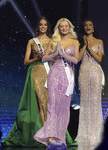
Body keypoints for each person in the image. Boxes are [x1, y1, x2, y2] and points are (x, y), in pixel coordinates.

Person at [1, 17, 51, 147]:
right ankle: (45, 134)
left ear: (48, 27)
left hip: (48, 72)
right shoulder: (31, 41)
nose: (43, 27)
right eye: (41, 24)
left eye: (45, 25)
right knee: (41, 102)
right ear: (38, 27)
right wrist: (36, 58)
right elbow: (25, 62)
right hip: (36, 72)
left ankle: (51, 132)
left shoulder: (52, 41)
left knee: (48, 103)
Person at [34, 18, 79, 148]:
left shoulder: (75, 42)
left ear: (70, 28)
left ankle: (61, 137)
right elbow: (44, 58)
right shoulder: (53, 41)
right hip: (54, 74)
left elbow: (75, 60)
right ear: (58, 28)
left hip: (67, 77)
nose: (64, 29)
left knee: (63, 108)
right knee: (52, 105)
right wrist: (54, 54)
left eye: (66, 26)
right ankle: (51, 137)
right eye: (61, 27)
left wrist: (63, 55)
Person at [76, 19, 104, 147]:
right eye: (85, 25)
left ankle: (95, 133)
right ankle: (85, 134)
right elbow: (78, 59)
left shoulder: (99, 42)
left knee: (95, 101)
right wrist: (84, 46)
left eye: (90, 25)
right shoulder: (80, 42)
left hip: (95, 72)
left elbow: (99, 58)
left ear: (93, 28)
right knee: (85, 102)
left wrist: (90, 48)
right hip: (84, 72)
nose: (88, 27)